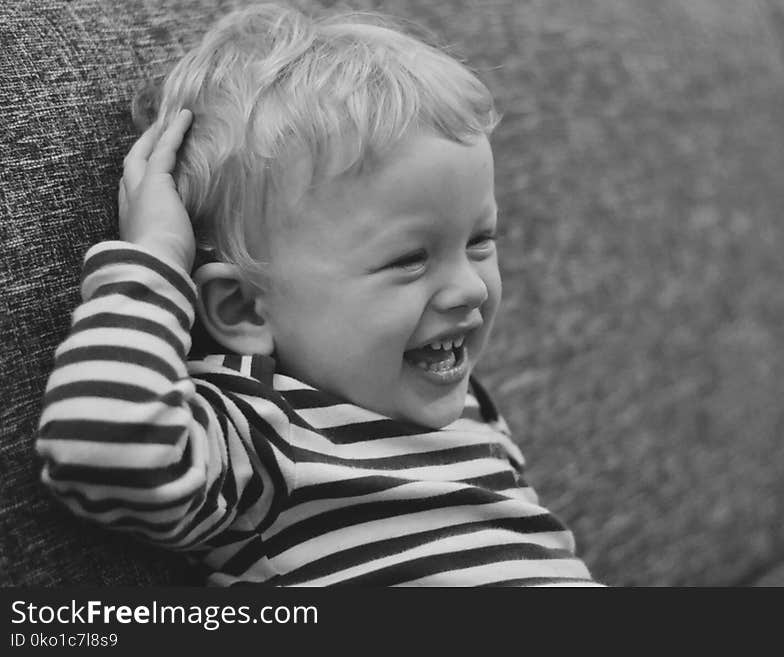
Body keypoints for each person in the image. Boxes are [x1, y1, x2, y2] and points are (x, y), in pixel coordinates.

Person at [36, 2, 599, 586]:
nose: (469, 287)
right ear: (244, 308)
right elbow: (102, 447)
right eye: (410, 259)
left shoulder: (471, 409)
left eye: (480, 240)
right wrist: (155, 258)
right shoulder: (262, 432)